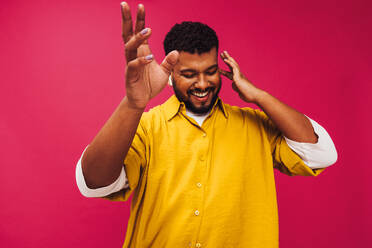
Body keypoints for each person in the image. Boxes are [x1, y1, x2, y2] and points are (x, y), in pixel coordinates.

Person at [76, 2, 337, 247]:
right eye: (189, 74)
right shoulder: (145, 127)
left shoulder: (256, 125)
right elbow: (93, 183)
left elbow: (320, 154)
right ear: (170, 75)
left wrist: (259, 95)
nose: (202, 84)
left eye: (210, 71)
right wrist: (133, 104)